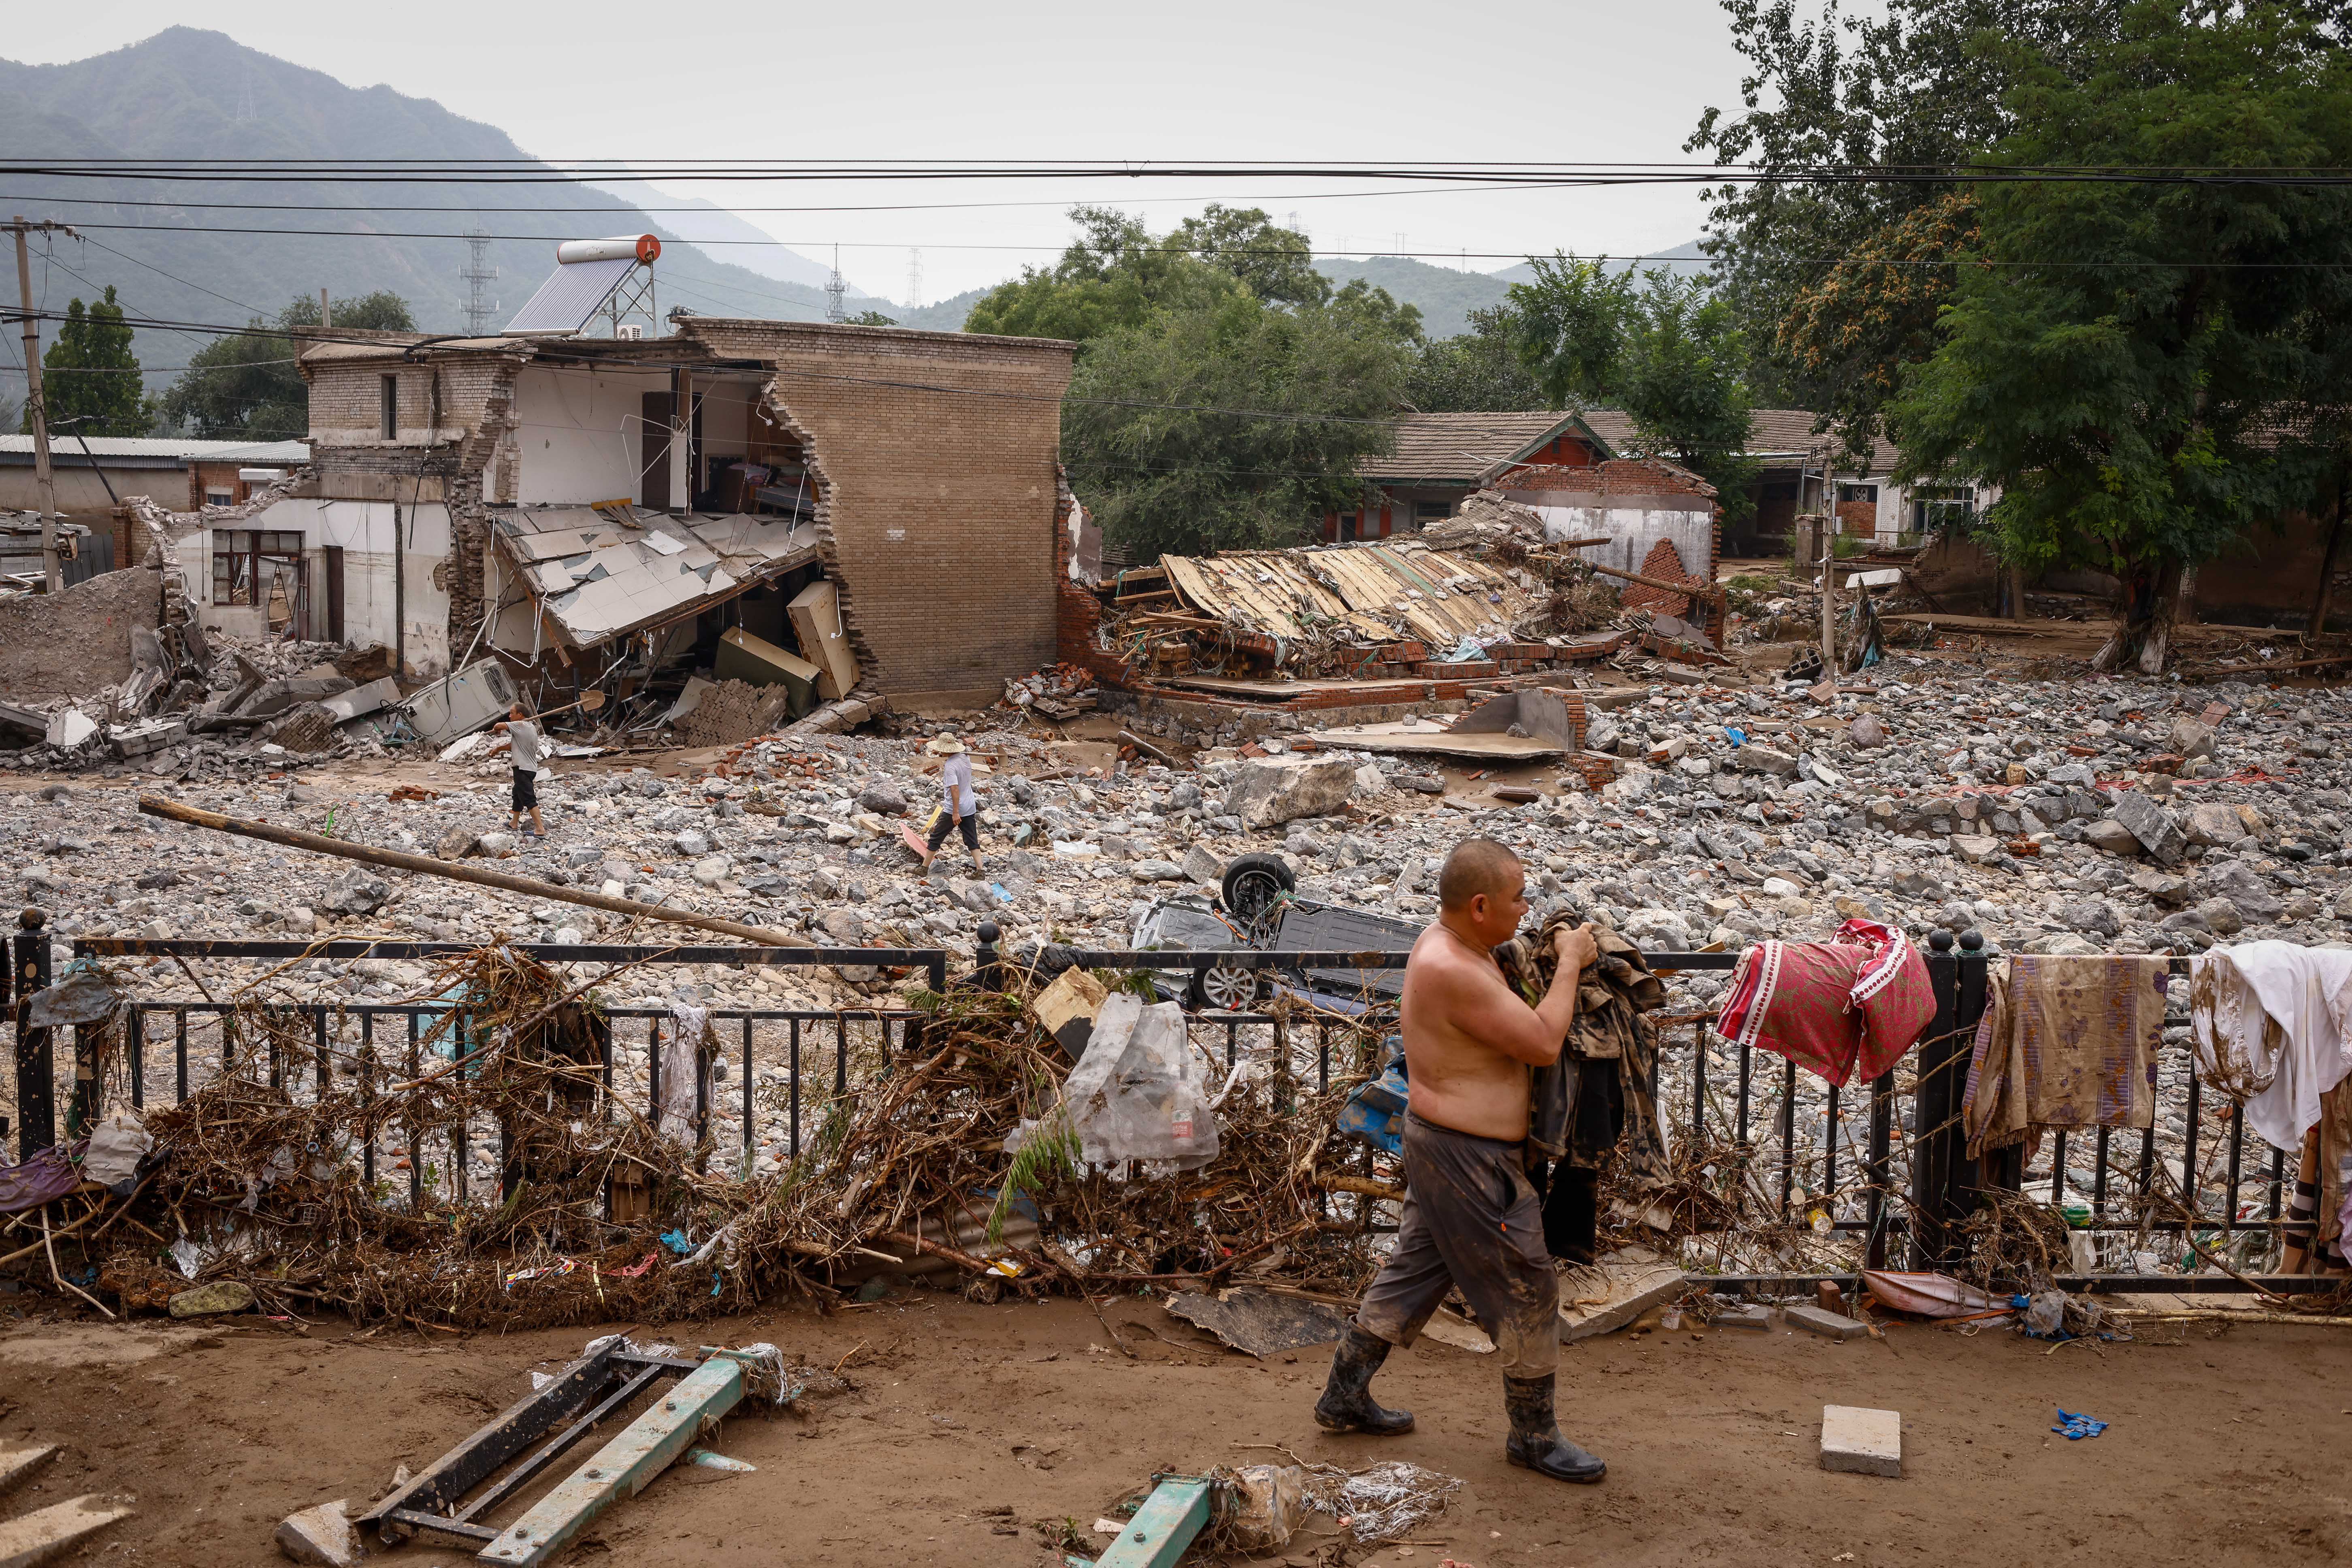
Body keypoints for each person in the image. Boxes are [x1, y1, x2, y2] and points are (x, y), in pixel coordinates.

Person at [1313, 837, 1608, 1485]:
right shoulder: (1452, 966)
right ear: (1480, 906)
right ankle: (1534, 1437)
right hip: (1469, 1158)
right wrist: (1569, 964)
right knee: (1531, 1283)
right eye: (1517, 898)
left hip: (1446, 1145)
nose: (1526, 909)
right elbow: (1539, 1043)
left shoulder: (1454, 945)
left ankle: (1343, 1395)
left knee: (1416, 1269)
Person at [921, 733, 984, 875]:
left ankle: (924, 868)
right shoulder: (965, 758)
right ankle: (981, 871)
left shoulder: (950, 766)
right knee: (972, 839)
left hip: (954, 809)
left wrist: (956, 812)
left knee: (936, 837)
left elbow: (955, 789)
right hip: (969, 805)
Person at [493, 703, 547, 840]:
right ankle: (514, 823)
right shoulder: (529, 727)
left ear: (520, 715)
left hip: (523, 769)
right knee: (517, 794)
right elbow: (513, 746)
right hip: (528, 768)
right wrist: (498, 749)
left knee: (529, 798)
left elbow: (498, 726)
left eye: (512, 713)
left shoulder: (521, 725)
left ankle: (540, 829)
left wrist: (497, 729)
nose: (510, 716)